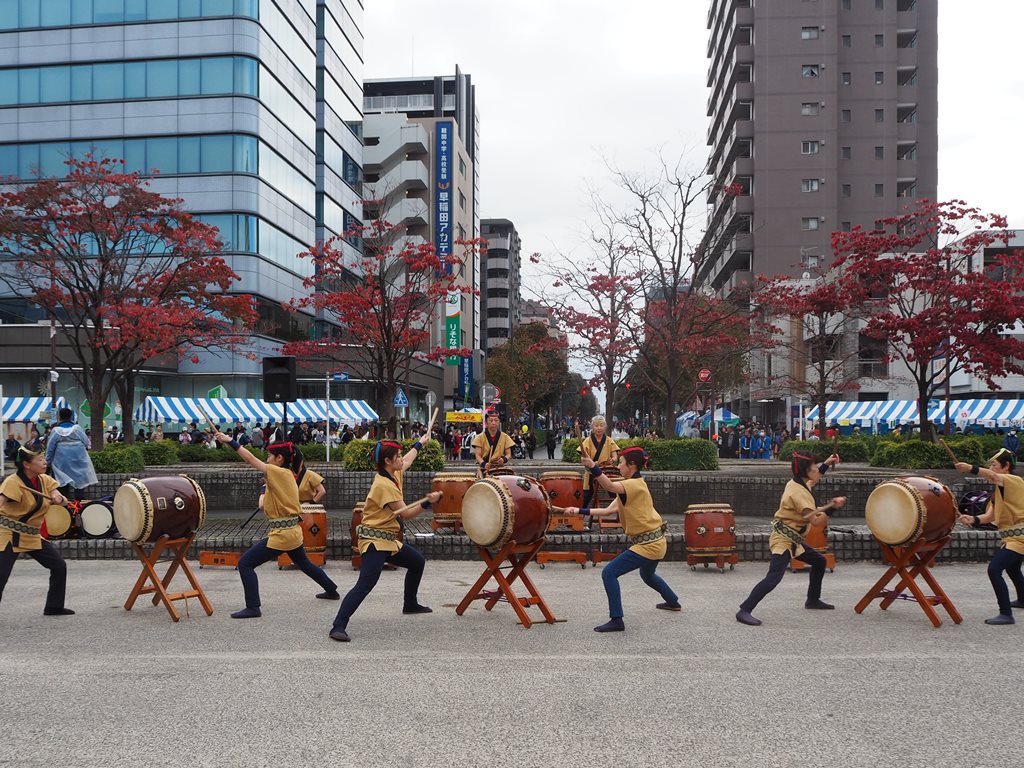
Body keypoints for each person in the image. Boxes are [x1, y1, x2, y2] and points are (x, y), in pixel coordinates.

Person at [212, 433, 339, 618]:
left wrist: (229, 441)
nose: (267, 459)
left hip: (283, 534)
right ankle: (331, 590)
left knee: (245, 564)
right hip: (292, 532)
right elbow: (265, 503)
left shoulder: (278, 472)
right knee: (304, 563)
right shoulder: (286, 474)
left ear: (279, 458)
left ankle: (253, 607)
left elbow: (250, 458)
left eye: (270, 456)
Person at [330, 431, 440, 642]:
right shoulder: (383, 485)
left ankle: (410, 604)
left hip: (387, 539)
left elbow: (407, 459)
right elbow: (406, 514)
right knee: (366, 583)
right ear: (388, 461)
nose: (401, 459)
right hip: (374, 540)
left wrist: (420, 443)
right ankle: (338, 625)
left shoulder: (391, 473)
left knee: (417, 562)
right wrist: (427, 502)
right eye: (397, 457)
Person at [565, 446, 680, 632]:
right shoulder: (633, 485)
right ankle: (673, 601)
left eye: (621, 463)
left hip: (647, 545)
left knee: (609, 573)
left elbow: (609, 486)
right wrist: (578, 511)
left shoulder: (632, 485)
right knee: (648, 575)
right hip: (656, 542)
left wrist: (593, 467)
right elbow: (608, 511)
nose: (618, 467)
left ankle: (617, 619)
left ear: (632, 465)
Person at [736, 452, 845, 626]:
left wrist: (826, 462)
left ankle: (812, 600)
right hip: (783, 539)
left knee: (819, 562)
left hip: (793, 539)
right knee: (773, 577)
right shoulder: (798, 495)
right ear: (805, 471)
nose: (817, 470)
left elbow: (812, 480)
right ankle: (744, 610)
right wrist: (833, 508)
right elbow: (816, 522)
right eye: (814, 468)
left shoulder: (797, 482)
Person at [0, 445, 74, 615]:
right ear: (27, 464)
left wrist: (58, 498)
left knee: (58, 566)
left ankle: (54, 606)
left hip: (31, 535)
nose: (44, 462)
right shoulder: (13, 482)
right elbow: (2, 500)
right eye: (40, 459)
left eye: (43, 458)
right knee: (1, 576)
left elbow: (60, 498)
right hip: (9, 534)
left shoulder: (44, 480)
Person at [954, 448, 1024, 625]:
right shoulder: (999, 491)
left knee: (994, 569)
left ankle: (1006, 614)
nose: (991, 468)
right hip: (1012, 538)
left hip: (1020, 538)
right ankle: (1023, 600)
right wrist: (974, 519)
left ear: (1006, 466)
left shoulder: (1014, 480)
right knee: (1013, 568)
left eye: (994, 464)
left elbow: (994, 477)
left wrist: (971, 468)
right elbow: (990, 517)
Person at [44, 408, 98, 502]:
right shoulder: (77, 429)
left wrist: (47, 463)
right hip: (79, 461)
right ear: (71, 417)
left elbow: (50, 448)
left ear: (59, 417)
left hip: (61, 463)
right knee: (80, 485)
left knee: (62, 485)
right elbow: (86, 442)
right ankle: (79, 507)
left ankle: (65, 507)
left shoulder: (56, 431)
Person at [579, 416, 620, 512]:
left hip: (606, 471)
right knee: (587, 495)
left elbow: (615, 456)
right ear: (592, 427)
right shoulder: (587, 441)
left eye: (601, 426)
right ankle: (580, 516)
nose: (599, 428)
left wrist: (612, 460)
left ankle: (621, 514)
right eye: (596, 426)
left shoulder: (609, 440)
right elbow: (583, 457)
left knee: (614, 492)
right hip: (591, 472)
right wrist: (591, 463)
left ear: (605, 427)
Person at [472, 410, 514, 475]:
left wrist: (503, 459)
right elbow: (478, 455)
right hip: (485, 468)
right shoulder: (479, 437)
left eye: (496, 420)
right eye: (491, 420)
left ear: (499, 422)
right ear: (486, 423)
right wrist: (484, 464)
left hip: (499, 468)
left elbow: (508, 454)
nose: (493, 423)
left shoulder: (505, 437)